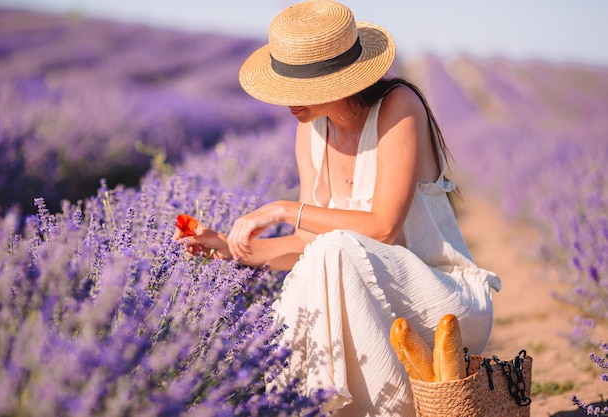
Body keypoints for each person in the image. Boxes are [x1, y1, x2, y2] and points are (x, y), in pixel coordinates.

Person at [175, 1, 501, 415]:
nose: (286, 102)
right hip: (373, 312)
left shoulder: (398, 107)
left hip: (443, 308)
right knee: (327, 252)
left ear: (335, 81)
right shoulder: (310, 132)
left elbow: (382, 228)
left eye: (296, 89)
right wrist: (226, 246)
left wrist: (280, 209)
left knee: (336, 249)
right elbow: (307, 247)